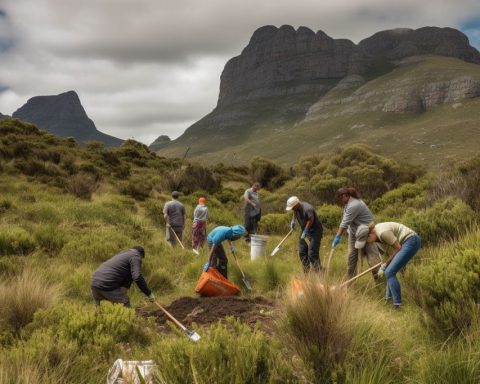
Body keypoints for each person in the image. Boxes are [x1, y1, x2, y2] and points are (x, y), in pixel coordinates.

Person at [355, 222, 421, 309]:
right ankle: (388, 300)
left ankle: (397, 305)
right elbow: (391, 251)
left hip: (411, 240)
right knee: (389, 271)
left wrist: (385, 264)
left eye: (365, 241)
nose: (366, 244)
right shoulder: (377, 236)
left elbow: (398, 248)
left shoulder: (383, 233)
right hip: (404, 243)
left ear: (370, 234)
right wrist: (386, 265)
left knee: (390, 272)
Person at [332, 187, 381, 278]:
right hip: (354, 233)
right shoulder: (347, 203)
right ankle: (350, 280)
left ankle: (378, 279)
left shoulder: (354, 204)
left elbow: (344, 223)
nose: (340, 201)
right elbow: (345, 219)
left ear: (344, 196)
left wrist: (337, 237)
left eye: (340, 198)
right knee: (351, 257)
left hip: (367, 232)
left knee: (372, 258)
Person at [286, 196, 323, 273]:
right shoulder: (296, 208)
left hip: (315, 231)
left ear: (296, 204)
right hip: (305, 231)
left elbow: (310, 219)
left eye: (292, 207)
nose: (292, 209)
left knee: (312, 253)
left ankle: (319, 273)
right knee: (302, 252)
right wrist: (293, 221)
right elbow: (295, 212)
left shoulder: (307, 208)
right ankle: (307, 273)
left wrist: (306, 230)